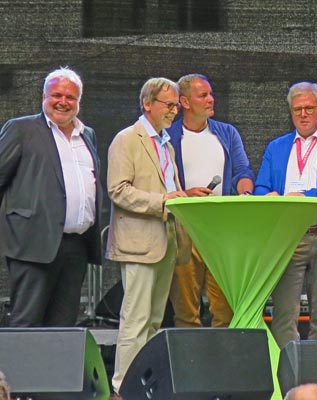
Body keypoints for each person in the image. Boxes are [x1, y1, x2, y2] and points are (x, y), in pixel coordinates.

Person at [254, 81, 317, 348]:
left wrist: (307, 196)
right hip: (287, 238)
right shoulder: (276, 147)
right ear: (290, 112)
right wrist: (267, 196)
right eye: (297, 109)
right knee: (284, 316)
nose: (303, 114)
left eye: (309, 108)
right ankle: (289, 379)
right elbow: (261, 186)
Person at [0, 67, 102, 327]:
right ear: (43, 96)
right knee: (27, 323)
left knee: (63, 326)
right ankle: (19, 370)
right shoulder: (21, 129)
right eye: (56, 95)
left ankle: (54, 371)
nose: (63, 102)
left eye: (71, 97)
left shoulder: (86, 135)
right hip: (33, 244)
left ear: (79, 101)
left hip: (76, 246)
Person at [106, 77, 187, 394]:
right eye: (169, 105)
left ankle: (146, 384)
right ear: (147, 104)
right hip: (139, 243)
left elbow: (166, 189)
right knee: (136, 320)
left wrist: (183, 194)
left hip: (166, 240)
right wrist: (165, 202)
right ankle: (123, 388)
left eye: (177, 105)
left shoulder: (165, 141)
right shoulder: (127, 139)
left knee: (154, 321)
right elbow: (118, 190)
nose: (174, 111)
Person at [167, 73, 254, 328]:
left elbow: (243, 171)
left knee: (225, 310)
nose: (210, 99)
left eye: (211, 94)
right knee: (185, 311)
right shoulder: (169, 135)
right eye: (203, 95)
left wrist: (245, 193)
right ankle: (190, 366)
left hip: (222, 229)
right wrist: (186, 194)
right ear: (184, 101)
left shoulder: (227, 133)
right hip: (185, 228)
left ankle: (222, 365)